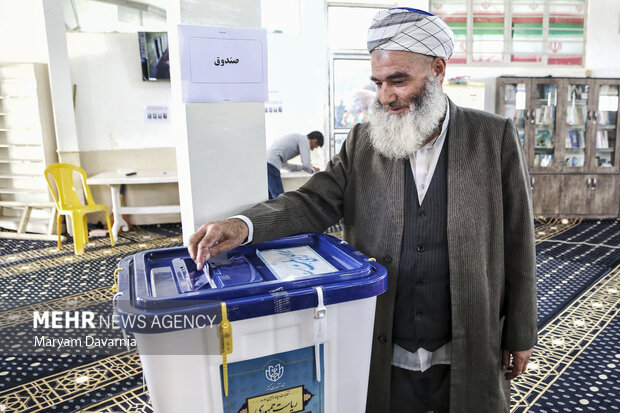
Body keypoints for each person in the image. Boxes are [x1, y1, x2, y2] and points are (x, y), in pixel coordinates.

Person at [188, 7, 537, 413]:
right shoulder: (363, 141)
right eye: (378, 82)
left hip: (469, 341)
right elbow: (313, 200)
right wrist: (243, 226)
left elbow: (519, 240)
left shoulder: (492, 136)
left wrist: (521, 331)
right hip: (383, 341)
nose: (385, 96)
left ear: (438, 70)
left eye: (398, 80)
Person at [266, 131, 324, 199]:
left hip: (267, 163)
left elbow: (284, 165)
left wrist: (301, 168)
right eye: (316, 147)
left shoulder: (296, 139)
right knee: (279, 197)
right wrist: (313, 170)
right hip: (271, 165)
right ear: (314, 141)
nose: (313, 149)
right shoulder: (304, 140)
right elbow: (306, 163)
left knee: (270, 197)